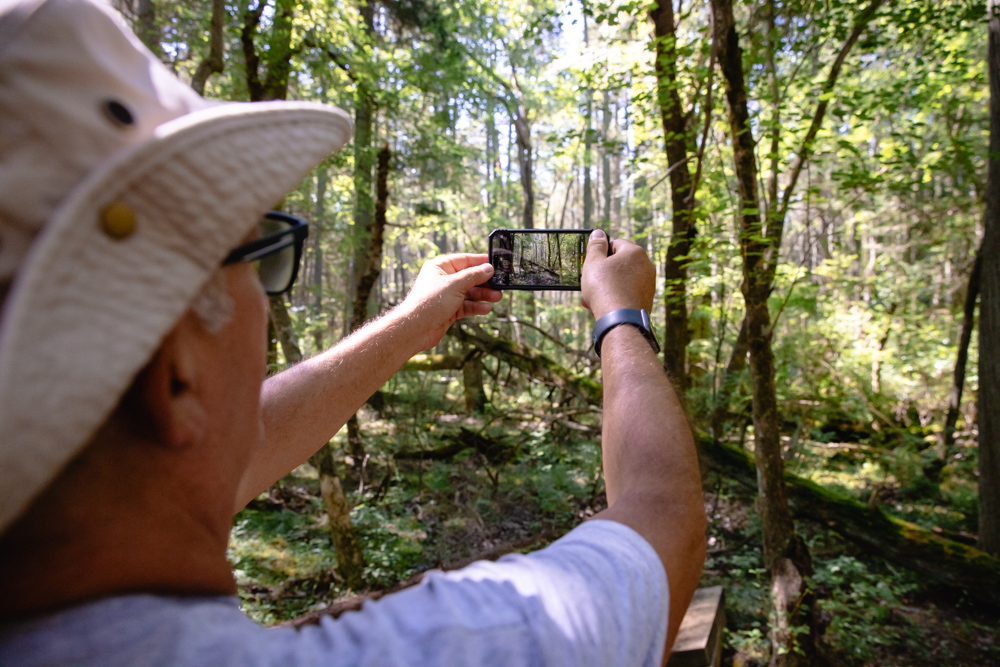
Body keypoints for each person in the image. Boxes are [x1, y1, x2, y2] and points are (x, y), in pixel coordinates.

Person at [0, 0, 706, 664]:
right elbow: (664, 521)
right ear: (175, 374)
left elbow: (229, 439)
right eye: (258, 252)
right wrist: (620, 315)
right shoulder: (470, 642)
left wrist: (409, 322)